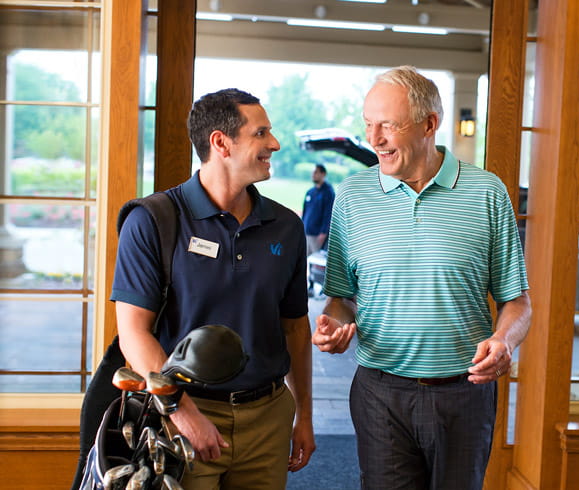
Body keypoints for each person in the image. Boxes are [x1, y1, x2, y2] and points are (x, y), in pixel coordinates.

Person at [312, 66, 531, 490]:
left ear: (430, 124)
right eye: (368, 125)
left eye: (388, 126)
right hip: (379, 394)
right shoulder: (353, 197)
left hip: (463, 394)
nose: (373, 139)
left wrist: (505, 342)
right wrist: (334, 326)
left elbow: (517, 302)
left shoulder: (487, 193)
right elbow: (341, 298)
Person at [112, 88, 315, 489]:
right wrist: (182, 413)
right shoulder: (152, 220)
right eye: (261, 134)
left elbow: (295, 328)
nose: (273, 144)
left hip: (268, 416)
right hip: (182, 415)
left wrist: (303, 416)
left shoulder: (286, 227)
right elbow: (133, 333)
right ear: (221, 142)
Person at [302, 163, 335, 257]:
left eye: (316, 172)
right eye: (312, 172)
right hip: (306, 233)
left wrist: (323, 232)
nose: (313, 175)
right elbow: (305, 212)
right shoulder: (310, 192)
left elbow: (329, 215)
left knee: (316, 261)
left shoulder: (328, 193)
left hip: (317, 235)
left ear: (323, 174)